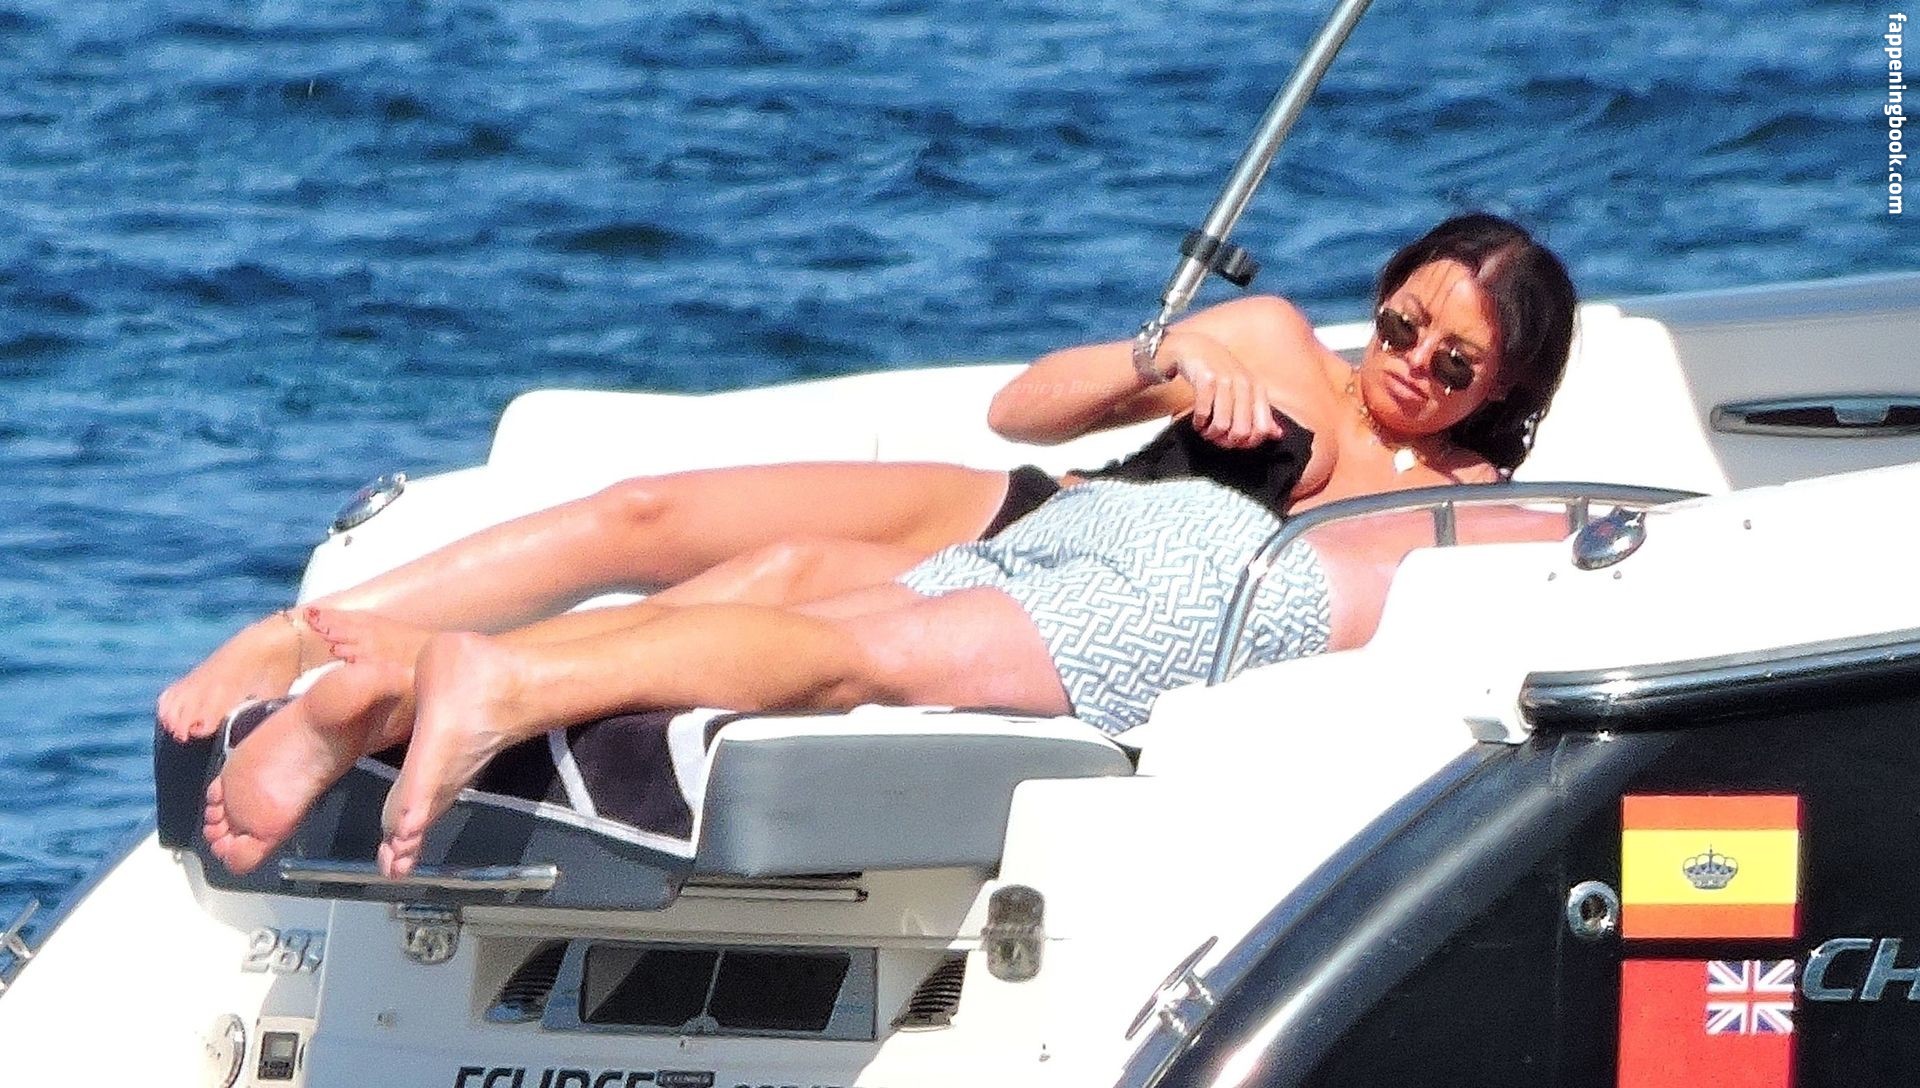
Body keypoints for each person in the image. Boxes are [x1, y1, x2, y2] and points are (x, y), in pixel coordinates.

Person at [201, 212, 1577, 879]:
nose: (1411, 364)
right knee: (652, 518)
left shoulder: (1464, 507)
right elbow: (1021, 408)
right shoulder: (1276, 346)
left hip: (1089, 592)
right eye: (1402, 323)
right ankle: (305, 636)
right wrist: (1160, 363)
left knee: (781, 600)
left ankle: (420, 679)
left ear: (1506, 391)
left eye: (1454, 363)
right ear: (1382, 295)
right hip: (1039, 511)